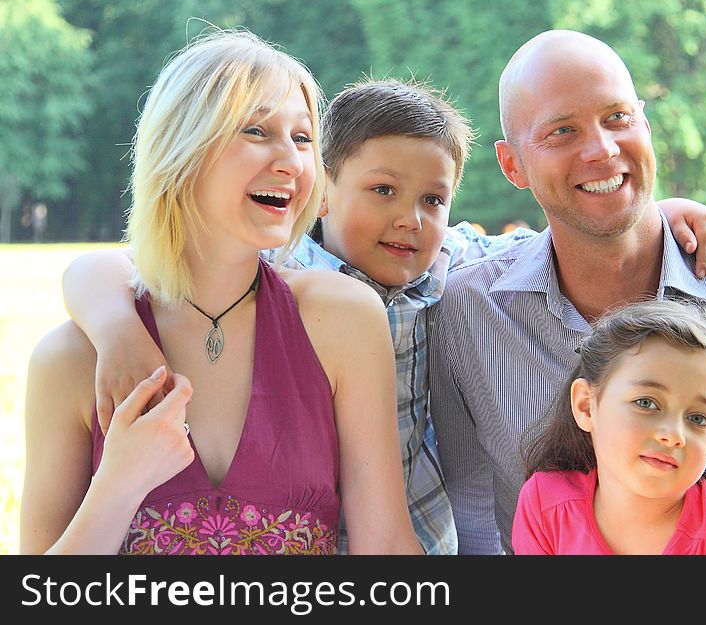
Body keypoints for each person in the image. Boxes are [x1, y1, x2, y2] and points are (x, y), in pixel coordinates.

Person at [60, 76, 706, 554]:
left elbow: (563, 235)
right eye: (384, 190)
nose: (410, 218)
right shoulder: (279, 274)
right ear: (321, 193)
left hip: (429, 535)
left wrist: (660, 213)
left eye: (432, 199)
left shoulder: (454, 261)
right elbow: (115, 267)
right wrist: (115, 325)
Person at [429, 29, 706, 555]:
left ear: (646, 122)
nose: (601, 149)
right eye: (562, 131)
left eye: (617, 118)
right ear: (513, 165)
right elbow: (477, 530)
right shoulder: (467, 311)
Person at [19, 29, 421, 555]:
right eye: (257, 130)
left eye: (302, 138)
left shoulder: (341, 320)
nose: (292, 162)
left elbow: (385, 547)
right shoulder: (72, 359)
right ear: (181, 148)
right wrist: (118, 483)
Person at [512, 300, 706, 555]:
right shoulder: (545, 507)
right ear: (585, 405)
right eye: (646, 403)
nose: (673, 434)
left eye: (699, 418)